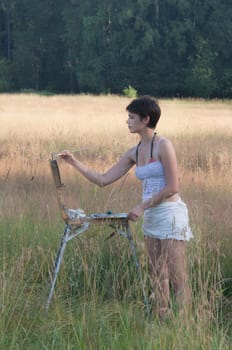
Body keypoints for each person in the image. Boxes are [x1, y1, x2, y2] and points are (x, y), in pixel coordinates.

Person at [59, 95, 193, 319]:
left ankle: (185, 324)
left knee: (178, 276)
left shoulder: (164, 146)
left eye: (131, 117)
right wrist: (73, 162)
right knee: (157, 274)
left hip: (170, 215)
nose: (127, 121)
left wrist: (141, 206)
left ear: (145, 119)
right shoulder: (135, 151)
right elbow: (103, 179)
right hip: (151, 217)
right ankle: (162, 321)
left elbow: (172, 186)